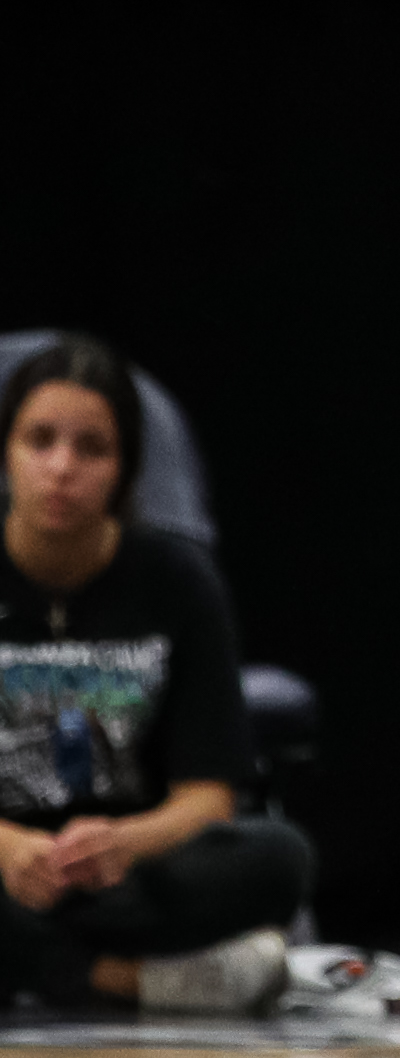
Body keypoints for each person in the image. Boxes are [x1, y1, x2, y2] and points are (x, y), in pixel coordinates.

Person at [0, 337, 314, 1014]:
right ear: (6, 451)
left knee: (277, 858)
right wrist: (7, 846)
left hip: (125, 876)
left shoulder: (176, 581)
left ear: (125, 467)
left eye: (92, 448)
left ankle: (37, 965)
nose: (61, 468)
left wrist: (122, 843)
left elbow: (207, 799)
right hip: (5, 868)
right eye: (40, 440)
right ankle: (120, 980)